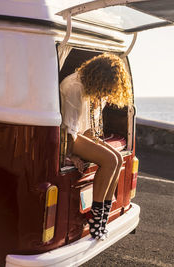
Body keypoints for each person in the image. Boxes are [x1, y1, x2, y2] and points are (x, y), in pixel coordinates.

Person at [60, 53, 133, 240]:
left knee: (117, 159)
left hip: (80, 134)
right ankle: (96, 214)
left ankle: (103, 215)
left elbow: (88, 127)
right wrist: (70, 155)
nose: (107, 91)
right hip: (67, 136)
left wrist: (94, 138)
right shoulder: (74, 86)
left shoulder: (90, 87)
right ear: (100, 77)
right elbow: (69, 129)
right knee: (109, 161)